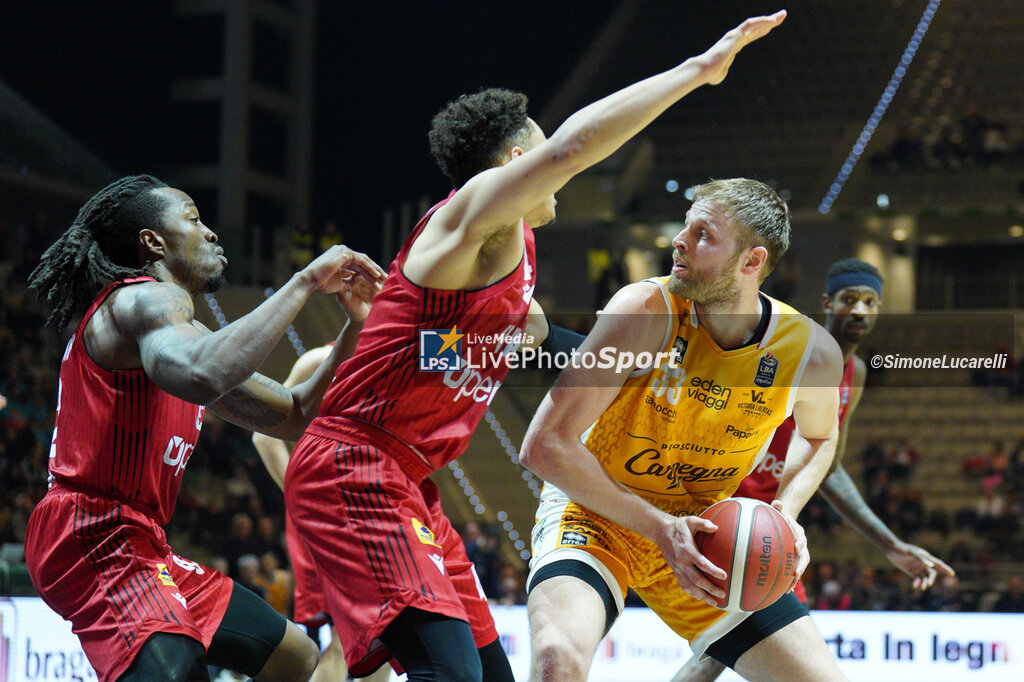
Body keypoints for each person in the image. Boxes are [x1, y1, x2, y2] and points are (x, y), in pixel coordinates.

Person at [285, 12, 788, 681]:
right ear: (520, 163)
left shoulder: (509, 260)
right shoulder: (472, 218)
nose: (564, 167)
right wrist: (699, 71)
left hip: (408, 482)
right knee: (445, 675)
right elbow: (574, 150)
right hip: (358, 467)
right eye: (545, 151)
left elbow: (522, 347)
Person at [22, 175, 385, 682]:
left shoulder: (186, 335)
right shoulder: (138, 301)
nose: (212, 233)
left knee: (294, 656)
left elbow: (297, 412)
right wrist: (302, 282)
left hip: (143, 539)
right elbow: (203, 374)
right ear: (153, 242)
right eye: (193, 219)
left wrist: (356, 328)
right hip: (92, 530)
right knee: (178, 669)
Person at [520, 177, 847, 682]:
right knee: (556, 660)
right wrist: (658, 528)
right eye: (684, 227)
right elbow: (544, 446)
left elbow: (821, 436)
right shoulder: (643, 311)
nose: (679, 240)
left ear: (751, 261)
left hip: (706, 534)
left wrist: (786, 510)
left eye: (703, 234)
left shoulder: (811, 352)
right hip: (596, 511)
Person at [670, 257, 954, 682]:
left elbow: (830, 468)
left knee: (724, 650)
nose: (859, 310)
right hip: (731, 518)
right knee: (753, 651)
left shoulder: (852, 373)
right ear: (827, 302)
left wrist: (891, 544)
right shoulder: (790, 348)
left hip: (773, 531)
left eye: (870, 302)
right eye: (849, 299)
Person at [252, 343, 390, 682]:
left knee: (385, 634)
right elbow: (264, 437)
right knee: (354, 636)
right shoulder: (320, 360)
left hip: (376, 512)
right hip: (326, 515)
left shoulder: (398, 355)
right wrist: (303, 495)